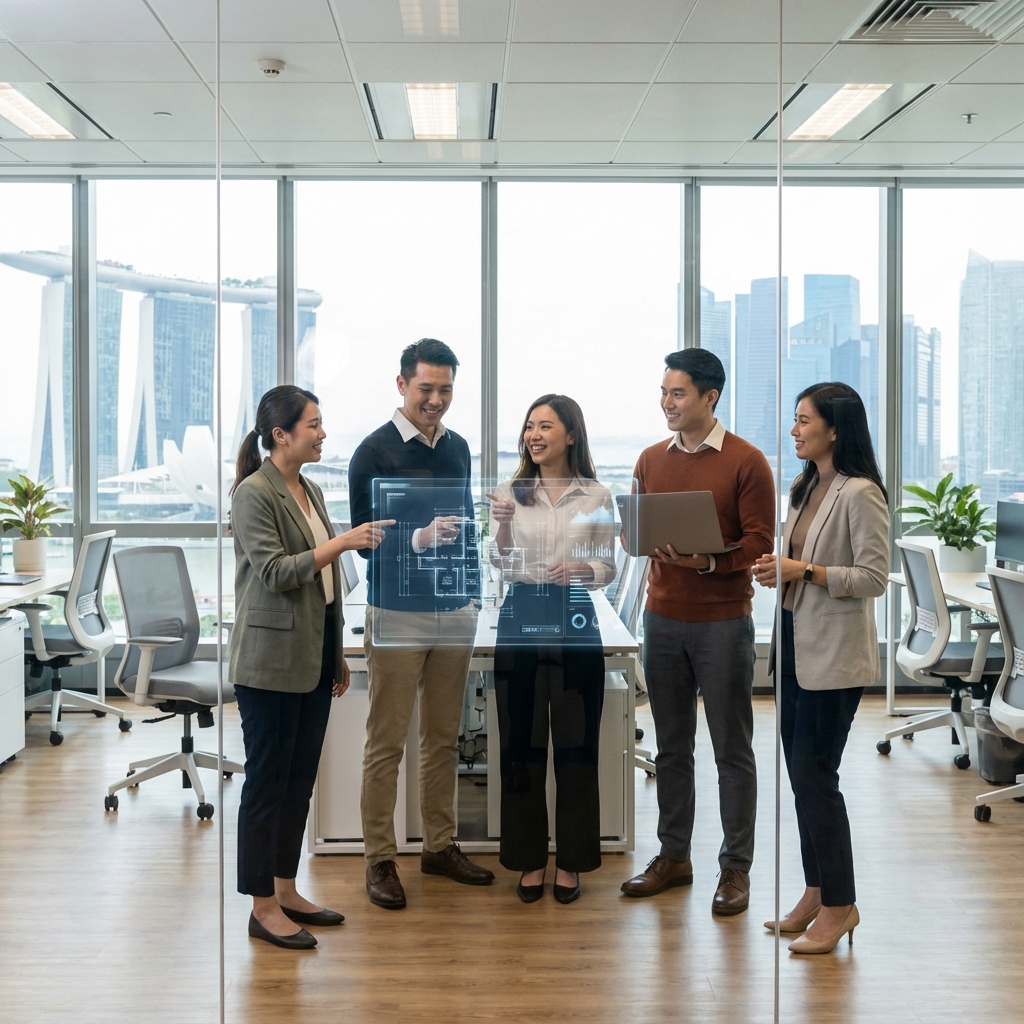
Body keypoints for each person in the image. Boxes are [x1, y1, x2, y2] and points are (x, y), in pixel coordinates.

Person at [230, 385, 394, 949]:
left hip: (312, 659)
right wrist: (345, 541)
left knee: (298, 783)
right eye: (314, 425)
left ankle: (286, 887)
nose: (323, 433)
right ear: (281, 435)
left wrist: (335, 654)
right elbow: (277, 572)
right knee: (266, 786)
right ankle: (261, 906)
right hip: (268, 664)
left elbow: (327, 589)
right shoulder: (255, 494)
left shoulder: (310, 488)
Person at [620, 349, 774, 916]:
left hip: (723, 622)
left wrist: (706, 563)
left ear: (710, 397)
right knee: (670, 747)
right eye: (663, 392)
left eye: (678, 393)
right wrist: (634, 535)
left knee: (732, 751)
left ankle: (735, 869)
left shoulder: (747, 461)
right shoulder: (648, 459)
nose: (667, 402)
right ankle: (674, 857)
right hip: (661, 620)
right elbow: (633, 533)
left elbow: (759, 542)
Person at [349, 338, 494, 910]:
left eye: (446, 389)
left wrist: (474, 598)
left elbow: (468, 532)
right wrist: (417, 538)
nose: (436, 400)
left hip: (453, 612)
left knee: (442, 739)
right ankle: (379, 858)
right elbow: (363, 544)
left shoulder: (457, 448)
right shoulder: (373, 452)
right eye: (426, 388)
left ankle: (439, 845)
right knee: (386, 742)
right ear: (402, 385)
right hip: (397, 615)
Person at [753, 382, 888, 954]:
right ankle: (817, 890)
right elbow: (799, 564)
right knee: (801, 776)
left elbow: (873, 579)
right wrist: (779, 570)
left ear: (836, 428)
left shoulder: (860, 493)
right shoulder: (806, 485)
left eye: (804, 421)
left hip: (834, 654)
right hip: (793, 640)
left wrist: (802, 570)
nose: (794, 430)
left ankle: (841, 905)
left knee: (815, 777)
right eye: (794, 420)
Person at [487, 395, 616, 904]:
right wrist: (500, 522)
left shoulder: (596, 494)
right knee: (521, 743)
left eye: (545, 426)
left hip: (575, 614)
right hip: (521, 613)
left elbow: (608, 564)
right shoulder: (509, 492)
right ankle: (528, 860)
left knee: (576, 743)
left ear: (570, 435)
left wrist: (582, 571)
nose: (534, 435)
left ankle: (573, 861)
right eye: (528, 427)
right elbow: (498, 561)